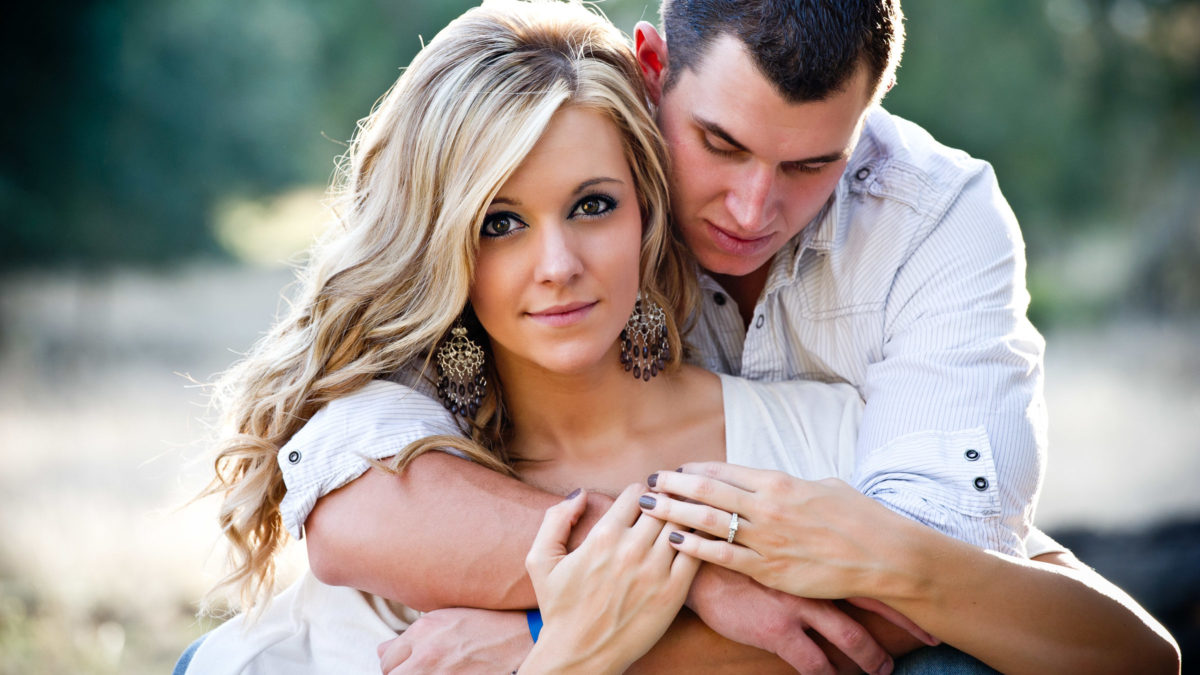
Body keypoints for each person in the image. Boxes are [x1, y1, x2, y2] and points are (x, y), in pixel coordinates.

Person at [185, 1, 1180, 674]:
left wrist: (558, 635)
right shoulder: (410, 476)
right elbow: (346, 510)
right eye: (499, 222)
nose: (557, 264)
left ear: (639, 208)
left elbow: (1055, 618)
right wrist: (676, 587)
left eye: (592, 205)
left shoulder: (822, 432)